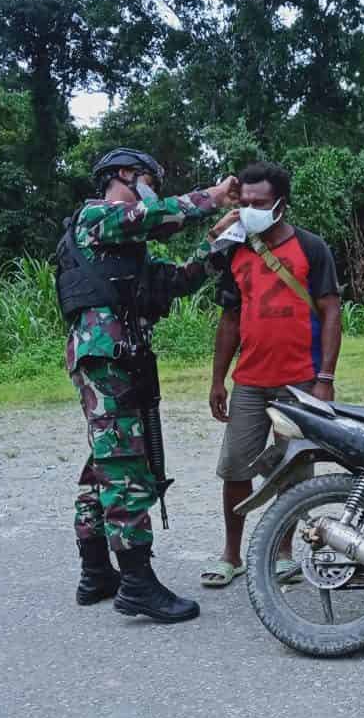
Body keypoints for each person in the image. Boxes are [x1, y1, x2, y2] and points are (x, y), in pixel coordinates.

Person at [58, 147, 240, 624]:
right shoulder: (97, 216)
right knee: (123, 467)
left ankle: (96, 572)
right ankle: (137, 584)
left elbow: (174, 281)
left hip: (120, 359)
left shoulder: (123, 246)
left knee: (105, 460)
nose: (154, 189)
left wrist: (219, 246)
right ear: (122, 176)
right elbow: (155, 214)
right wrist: (214, 197)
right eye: (148, 179)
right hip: (108, 358)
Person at [205, 161, 342, 588]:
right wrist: (217, 379)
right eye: (244, 203)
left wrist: (325, 376)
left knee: (292, 469)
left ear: (281, 204)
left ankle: (283, 553)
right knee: (235, 469)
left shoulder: (311, 248)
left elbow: (331, 311)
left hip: (300, 382)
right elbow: (230, 319)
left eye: (259, 203)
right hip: (249, 381)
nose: (250, 210)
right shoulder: (236, 249)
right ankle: (231, 555)